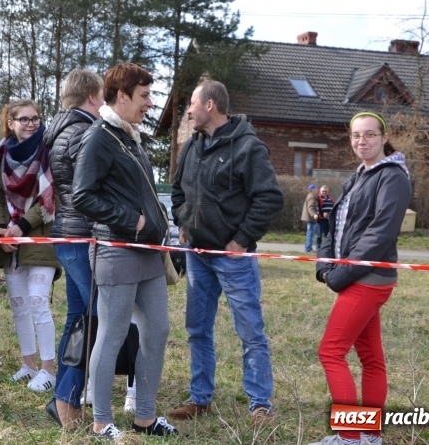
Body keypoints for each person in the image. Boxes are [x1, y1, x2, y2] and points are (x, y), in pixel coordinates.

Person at [72, 62, 178, 440]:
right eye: (145, 95)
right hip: (117, 250)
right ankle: (102, 421)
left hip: (148, 252)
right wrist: (128, 220)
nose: (151, 103)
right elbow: (82, 195)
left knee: (158, 331)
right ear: (122, 96)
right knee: (113, 333)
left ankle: (145, 418)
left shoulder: (129, 136)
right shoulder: (100, 137)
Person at [169, 79, 283, 424]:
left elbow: (269, 198)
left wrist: (242, 239)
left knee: (250, 331)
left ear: (210, 105)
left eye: (192, 102)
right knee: (197, 329)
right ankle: (200, 397)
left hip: (233, 258)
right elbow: (178, 192)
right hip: (197, 255)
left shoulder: (249, 147)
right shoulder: (191, 147)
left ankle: (260, 404)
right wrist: (183, 222)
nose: (187, 109)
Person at [310, 112, 411, 445]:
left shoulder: (393, 176)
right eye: (356, 135)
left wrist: (340, 274)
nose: (361, 141)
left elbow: (379, 234)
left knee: (331, 352)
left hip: (369, 278)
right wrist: (324, 263)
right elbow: (334, 224)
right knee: (370, 358)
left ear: (384, 138)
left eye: (369, 135)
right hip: (354, 275)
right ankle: (369, 436)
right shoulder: (358, 176)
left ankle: (350, 437)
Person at [42, 68, 109, 428]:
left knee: (79, 317)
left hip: (69, 233)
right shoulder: (83, 131)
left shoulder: (61, 128)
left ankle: (64, 399)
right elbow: (91, 189)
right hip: (82, 234)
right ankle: (67, 398)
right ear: (93, 96)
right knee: (96, 319)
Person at [0, 99, 60, 394]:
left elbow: (51, 199)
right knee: (19, 306)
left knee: (39, 302)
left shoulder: (48, 153)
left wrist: (22, 226)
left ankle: (48, 369)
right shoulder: (0, 155)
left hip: (40, 236)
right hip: (11, 241)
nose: (31, 124)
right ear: (11, 123)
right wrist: (4, 232)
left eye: (36, 118)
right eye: (24, 119)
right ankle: (29, 365)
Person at [302, 184, 320, 253]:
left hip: (310, 218)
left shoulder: (312, 196)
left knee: (310, 233)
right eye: (316, 188)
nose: (317, 190)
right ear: (312, 189)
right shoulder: (311, 197)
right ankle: (308, 249)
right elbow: (310, 207)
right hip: (310, 218)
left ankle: (308, 247)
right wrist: (314, 215)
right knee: (310, 234)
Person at [316, 185, 334, 251]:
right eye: (323, 191)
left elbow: (333, 208)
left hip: (328, 220)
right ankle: (318, 248)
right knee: (319, 235)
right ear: (320, 191)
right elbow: (317, 208)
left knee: (327, 235)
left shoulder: (330, 199)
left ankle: (326, 248)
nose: (324, 192)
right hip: (321, 220)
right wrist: (322, 213)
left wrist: (330, 214)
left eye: (325, 191)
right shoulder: (318, 198)